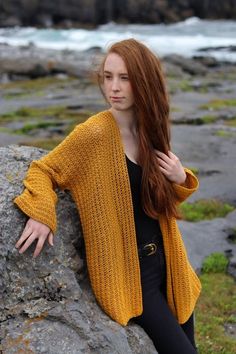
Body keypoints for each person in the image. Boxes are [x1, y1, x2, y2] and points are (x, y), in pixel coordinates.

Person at [14, 38, 201, 353]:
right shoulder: (94, 133)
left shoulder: (149, 130)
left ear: (143, 80)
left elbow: (155, 204)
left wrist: (180, 178)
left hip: (171, 265)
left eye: (124, 78)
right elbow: (43, 170)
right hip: (133, 277)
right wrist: (42, 212)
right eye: (108, 77)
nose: (114, 87)